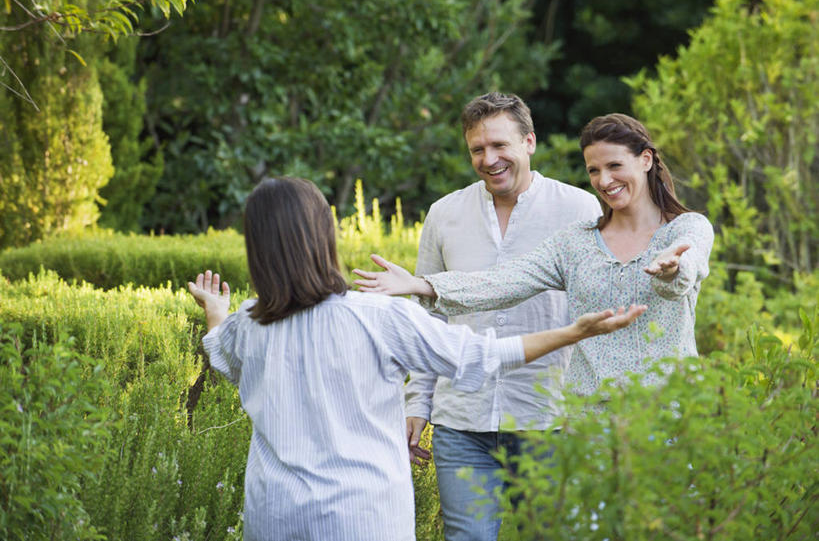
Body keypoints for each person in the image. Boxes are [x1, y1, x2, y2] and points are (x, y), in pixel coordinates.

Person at [186, 176, 645, 541]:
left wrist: (216, 313)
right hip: (363, 519)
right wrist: (572, 332)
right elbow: (481, 356)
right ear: (321, 238)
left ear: (256, 248)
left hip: (275, 515)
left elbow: (224, 358)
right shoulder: (379, 316)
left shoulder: (248, 324)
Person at [353, 111, 714, 398]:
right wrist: (422, 285)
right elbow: (501, 282)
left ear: (646, 160)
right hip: (590, 423)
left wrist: (673, 269)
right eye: (594, 170)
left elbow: (687, 268)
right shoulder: (576, 242)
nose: (604, 181)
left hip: (670, 416)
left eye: (615, 166)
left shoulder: (687, 229)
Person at [399, 92, 603, 541]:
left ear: (529, 141)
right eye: (477, 149)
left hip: (549, 418)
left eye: (500, 146)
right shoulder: (444, 214)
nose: (489, 159)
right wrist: (417, 403)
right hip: (461, 421)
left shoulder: (580, 212)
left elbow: (596, 318)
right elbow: (428, 320)